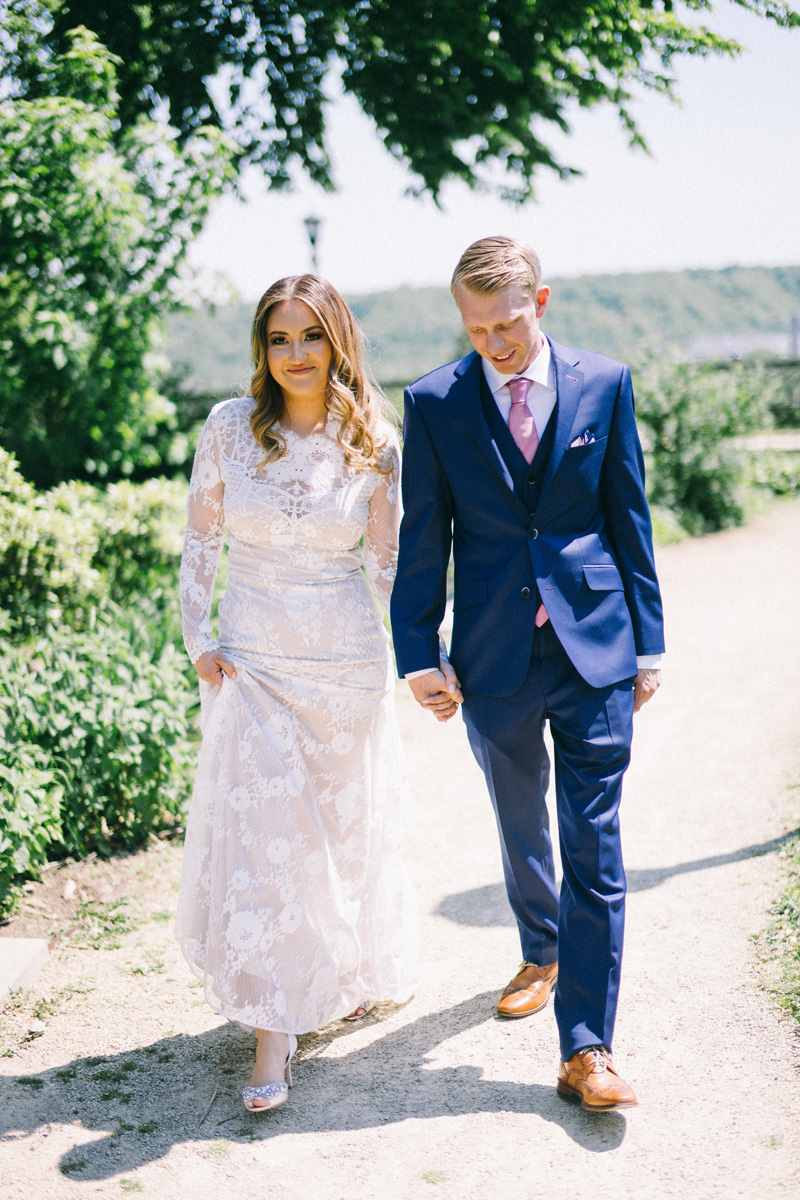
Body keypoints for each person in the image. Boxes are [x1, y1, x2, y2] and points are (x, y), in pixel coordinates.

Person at [390, 237, 664, 1112]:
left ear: (539, 303)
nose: (493, 345)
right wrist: (416, 654)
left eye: (506, 325)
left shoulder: (605, 383)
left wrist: (648, 645)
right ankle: (541, 947)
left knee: (594, 842)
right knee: (520, 819)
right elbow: (423, 538)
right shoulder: (434, 402)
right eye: (475, 331)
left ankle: (588, 1047)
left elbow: (629, 514)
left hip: (595, 646)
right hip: (492, 655)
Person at [176, 275, 418, 1113]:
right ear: (262, 351)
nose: (294, 355)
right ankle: (273, 1036)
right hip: (255, 668)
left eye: (309, 337)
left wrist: (425, 655)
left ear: (336, 341)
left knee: (338, 841)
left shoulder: (373, 442)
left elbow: (387, 565)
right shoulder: (228, 430)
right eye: (279, 340)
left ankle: (339, 971)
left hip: (345, 666)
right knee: (267, 837)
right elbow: (200, 541)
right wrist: (197, 638)